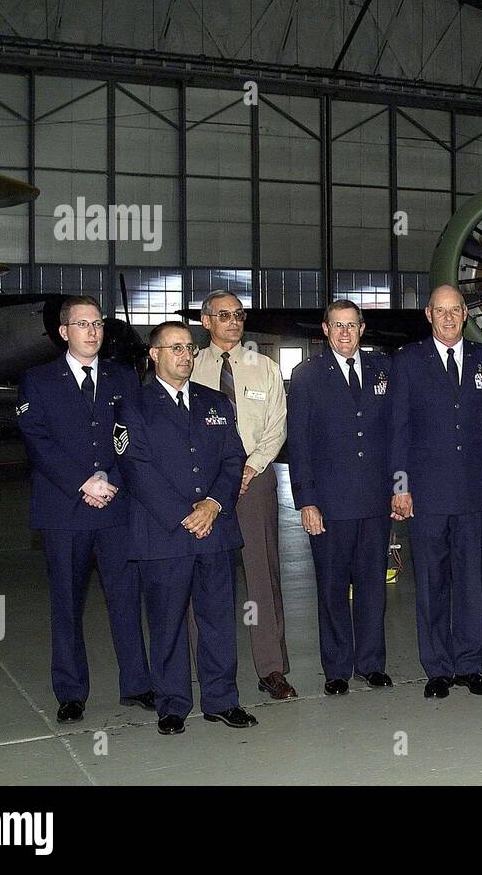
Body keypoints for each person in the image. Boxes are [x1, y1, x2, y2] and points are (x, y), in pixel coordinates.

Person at [113, 320, 257, 735]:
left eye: (189, 349)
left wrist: (212, 504)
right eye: (174, 348)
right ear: (154, 355)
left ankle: (221, 700)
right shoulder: (133, 406)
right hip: (165, 534)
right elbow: (136, 469)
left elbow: (234, 459)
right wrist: (184, 514)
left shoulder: (215, 402)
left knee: (217, 620)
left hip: (215, 530)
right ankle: (172, 704)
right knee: (168, 621)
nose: (184, 355)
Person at [16, 295, 152, 723]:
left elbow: (132, 433)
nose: (92, 331)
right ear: (64, 332)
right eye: (82, 324)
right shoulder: (37, 380)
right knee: (67, 603)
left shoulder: (123, 376)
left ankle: (137, 684)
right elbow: (37, 440)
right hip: (65, 511)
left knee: (126, 599)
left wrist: (109, 477)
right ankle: (71, 692)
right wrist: (83, 481)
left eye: (97, 324)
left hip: (114, 508)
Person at [390, 285, 482, 699]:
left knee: (470, 581)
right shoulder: (407, 362)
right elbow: (397, 429)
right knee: (431, 582)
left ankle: (470, 666)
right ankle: (437, 668)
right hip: (426, 494)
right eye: (441, 311)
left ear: (465, 315)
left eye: (456, 310)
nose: (449, 317)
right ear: (428, 314)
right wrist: (401, 487)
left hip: (475, 492)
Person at [190, 290, 292, 700]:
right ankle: (204, 668)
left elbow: (277, 425)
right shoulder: (189, 366)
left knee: (261, 576)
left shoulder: (263, 368)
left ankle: (271, 669)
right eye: (223, 315)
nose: (233, 321)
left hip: (254, 480)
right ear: (206, 321)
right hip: (201, 487)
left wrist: (249, 468)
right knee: (201, 576)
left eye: (238, 314)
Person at [287, 300, 393, 696]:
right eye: (337, 326)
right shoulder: (307, 375)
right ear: (325, 329)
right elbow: (298, 443)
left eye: (352, 325)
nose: (345, 333)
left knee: (372, 586)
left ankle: (371, 663)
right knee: (332, 587)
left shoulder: (384, 369)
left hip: (374, 500)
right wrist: (306, 501)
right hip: (329, 504)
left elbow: (395, 431)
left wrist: (399, 487)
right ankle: (336, 668)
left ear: (362, 329)